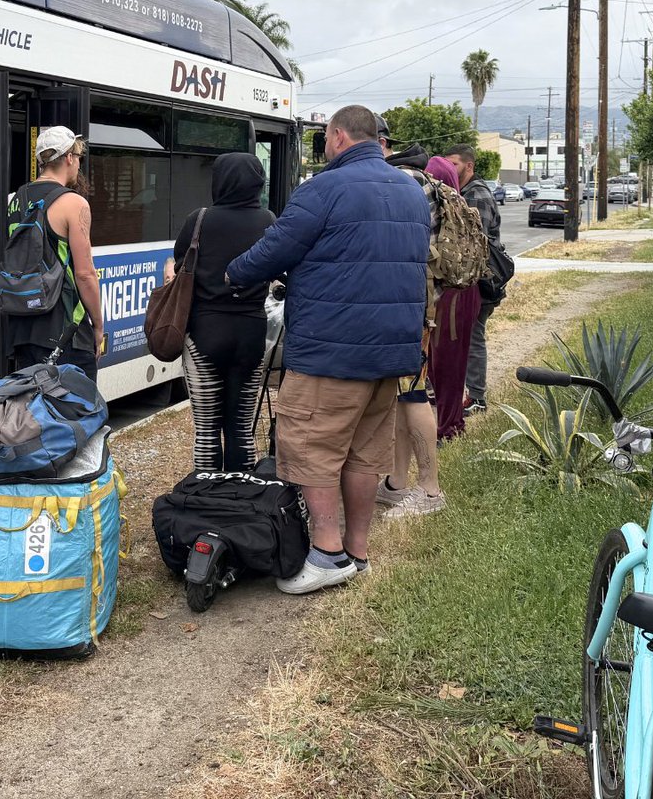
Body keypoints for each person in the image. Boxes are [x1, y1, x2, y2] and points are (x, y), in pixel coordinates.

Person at [226, 105, 432, 594]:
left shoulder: (322, 190)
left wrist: (232, 275)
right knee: (364, 453)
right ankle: (357, 552)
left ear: (337, 136)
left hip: (331, 352)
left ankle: (326, 553)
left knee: (314, 449)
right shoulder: (412, 190)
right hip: (391, 353)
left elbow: (271, 252)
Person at [173, 152, 275, 472]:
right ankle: (240, 498)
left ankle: (206, 497)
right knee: (241, 430)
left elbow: (180, 267)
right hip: (251, 333)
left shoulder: (199, 219)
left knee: (206, 432)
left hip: (205, 334)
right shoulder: (269, 221)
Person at [372, 118, 447, 517]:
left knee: (414, 393)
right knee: (403, 393)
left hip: (410, 304)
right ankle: (398, 483)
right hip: (418, 300)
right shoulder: (418, 176)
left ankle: (430, 490)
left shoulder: (402, 180)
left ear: (383, 144)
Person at [5, 126, 104, 382]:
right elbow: (84, 274)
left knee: (32, 414)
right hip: (64, 330)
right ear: (69, 157)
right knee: (76, 412)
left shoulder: (14, 199)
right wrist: (98, 326)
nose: (78, 164)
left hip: (21, 326)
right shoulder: (74, 203)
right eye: (78, 157)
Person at [423, 156, 482, 441]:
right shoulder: (460, 206)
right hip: (464, 292)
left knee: (444, 366)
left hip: (449, 297)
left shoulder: (440, 208)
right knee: (445, 365)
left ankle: (450, 428)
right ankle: (449, 424)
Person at [444, 143, 502, 414]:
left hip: (479, 281)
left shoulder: (476, 195)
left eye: (454, 164)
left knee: (473, 336)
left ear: (469, 166)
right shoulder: (463, 193)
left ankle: (477, 397)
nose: (449, 169)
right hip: (471, 280)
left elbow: (478, 243)